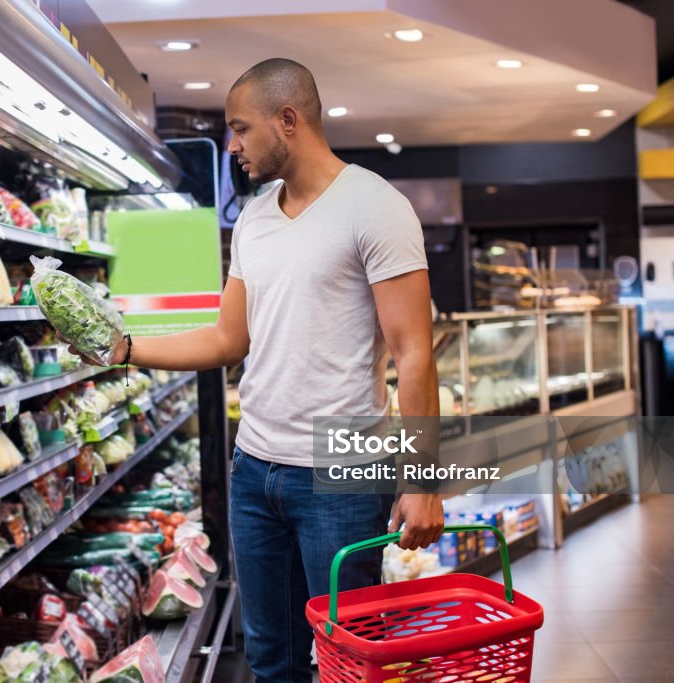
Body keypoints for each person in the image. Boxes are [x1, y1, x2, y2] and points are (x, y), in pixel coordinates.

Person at [73, 58, 443, 682]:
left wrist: (422, 479)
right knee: (270, 660)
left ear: (288, 120)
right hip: (254, 472)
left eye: (240, 129)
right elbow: (226, 339)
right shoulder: (254, 218)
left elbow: (414, 352)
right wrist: (124, 347)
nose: (232, 146)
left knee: (348, 661)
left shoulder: (376, 206)